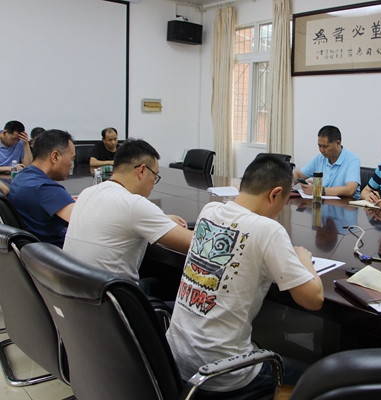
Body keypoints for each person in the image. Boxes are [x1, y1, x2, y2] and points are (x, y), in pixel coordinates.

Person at [166, 155, 324, 397]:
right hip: (224, 375)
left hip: (175, 361)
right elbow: (314, 299)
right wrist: (304, 261)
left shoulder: (209, 210)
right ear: (275, 194)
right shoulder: (268, 230)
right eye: (283, 203)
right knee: (321, 378)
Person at [64, 138, 193, 283]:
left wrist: (162, 219)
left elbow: (117, 218)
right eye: (155, 176)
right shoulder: (134, 204)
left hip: (76, 288)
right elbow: (196, 244)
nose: (153, 184)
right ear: (142, 170)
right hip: (112, 293)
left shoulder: (88, 192)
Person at [9, 130, 75, 247]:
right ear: (55, 157)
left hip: (33, 250)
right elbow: (84, 221)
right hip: (56, 251)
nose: (71, 165)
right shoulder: (45, 189)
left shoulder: (21, 177)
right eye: (72, 159)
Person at [293, 125, 360, 199]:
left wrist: (318, 190)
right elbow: (298, 174)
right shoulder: (320, 159)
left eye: (325, 147)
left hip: (346, 204)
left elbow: (350, 190)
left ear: (338, 143)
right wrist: (288, 182)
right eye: (319, 146)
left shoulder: (352, 160)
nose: (321, 150)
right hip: (323, 203)